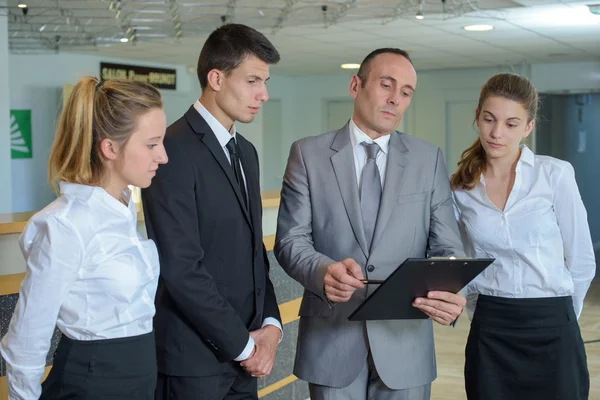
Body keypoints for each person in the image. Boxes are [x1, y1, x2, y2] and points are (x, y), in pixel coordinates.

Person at [274, 47, 466, 400]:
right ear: (355, 85)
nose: (395, 99)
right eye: (386, 85)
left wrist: (454, 290)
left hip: (405, 342)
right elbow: (290, 240)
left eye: (406, 92)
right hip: (332, 338)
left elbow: (447, 247)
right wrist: (322, 271)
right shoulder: (308, 154)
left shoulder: (429, 159)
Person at [0, 76, 168, 399]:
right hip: (93, 386)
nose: (163, 156)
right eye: (151, 144)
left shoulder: (122, 209)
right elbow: (26, 344)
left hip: (138, 380)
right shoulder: (65, 225)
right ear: (109, 148)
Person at [141, 23, 282, 400]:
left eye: (265, 82)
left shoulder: (246, 152)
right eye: (253, 80)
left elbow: (255, 253)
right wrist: (244, 346)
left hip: (245, 357)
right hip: (194, 364)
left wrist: (270, 324)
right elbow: (181, 268)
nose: (263, 94)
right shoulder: (170, 149)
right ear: (216, 78)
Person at [451, 72, 595, 400]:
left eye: (511, 124)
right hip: (491, 328)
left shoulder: (555, 175)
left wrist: (560, 318)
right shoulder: (459, 188)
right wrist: (480, 309)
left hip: (553, 324)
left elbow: (582, 259)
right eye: (489, 119)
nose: (497, 132)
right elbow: (461, 261)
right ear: (477, 117)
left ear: (528, 127)